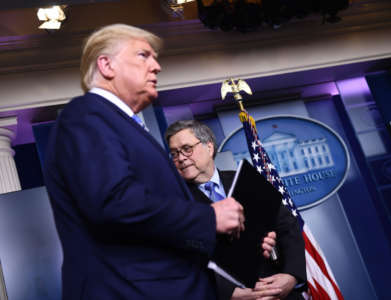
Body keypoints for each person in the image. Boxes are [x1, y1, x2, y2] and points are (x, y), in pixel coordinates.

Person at [43, 24, 245, 300]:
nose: (156, 66)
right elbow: (113, 203)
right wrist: (209, 217)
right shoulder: (86, 115)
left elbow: (155, 226)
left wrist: (230, 238)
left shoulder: (122, 124)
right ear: (106, 65)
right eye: (143, 55)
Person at [165, 120, 307, 300]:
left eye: (187, 148)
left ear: (209, 147)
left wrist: (291, 276)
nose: (181, 158)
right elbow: (183, 261)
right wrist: (230, 294)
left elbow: (288, 226)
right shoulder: (175, 204)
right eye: (174, 153)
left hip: (281, 291)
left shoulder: (245, 180)